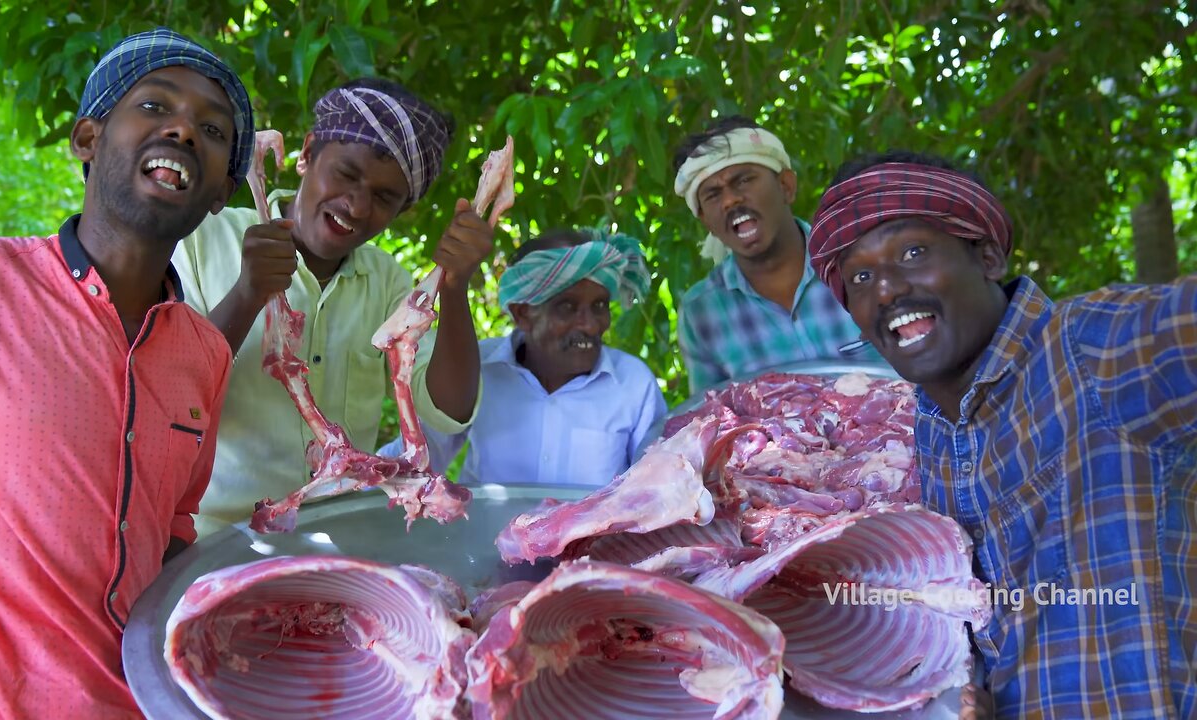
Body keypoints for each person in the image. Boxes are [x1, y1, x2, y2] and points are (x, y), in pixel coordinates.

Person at [0, 28, 253, 718]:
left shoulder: (206, 353)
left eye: (213, 129)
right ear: (88, 139)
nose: (184, 130)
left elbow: (174, 529)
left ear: (221, 192)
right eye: (155, 106)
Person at [807, 151, 1196, 718]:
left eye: (911, 252)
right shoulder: (931, 435)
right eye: (860, 276)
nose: (886, 289)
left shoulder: (1090, 348)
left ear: (986, 257)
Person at [173, 78, 493, 536]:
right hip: (211, 541)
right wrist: (248, 292)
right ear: (307, 155)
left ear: (402, 212)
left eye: (385, 197)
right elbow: (171, 395)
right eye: (346, 174)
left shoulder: (389, 285)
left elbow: (447, 411)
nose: (358, 205)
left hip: (337, 547)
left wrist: (456, 288)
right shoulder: (204, 241)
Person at [380, 228, 666, 487]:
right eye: (567, 307)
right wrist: (355, 477)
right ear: (522, 314)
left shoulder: (634, 385)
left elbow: (657, 487)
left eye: (599, 305)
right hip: (484, 543)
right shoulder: (476, 366)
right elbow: (416, 459)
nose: (591, 325)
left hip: (600, 546)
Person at [672, 115, 883, 395]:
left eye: (743, 180)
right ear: (705, 220)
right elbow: (710, 417)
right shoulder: (702, 313)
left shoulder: (862, 261)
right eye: (712, 194)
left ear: (786, 186)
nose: (730, 200)